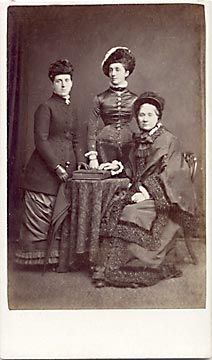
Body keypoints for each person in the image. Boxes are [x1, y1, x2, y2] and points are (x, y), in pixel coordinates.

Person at [92, 91, 196, 288]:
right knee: (112, 205)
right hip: (139, 191)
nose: (145, 119)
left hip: (162, 199)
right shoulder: (138, 139)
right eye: (141, 115)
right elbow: (133, 167)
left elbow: (174, 174)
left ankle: (132, 266)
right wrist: (119, 167)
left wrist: (148, 192)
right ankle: (107, 267)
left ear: (158, 117)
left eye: (149, 115)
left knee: (131, 212)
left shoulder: (168, 140)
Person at [15, 59, 85, 267]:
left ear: (72, 83)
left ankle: (57, 259)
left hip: (68, 170)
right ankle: (35, 260)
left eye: (67, 80)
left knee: (61, 212)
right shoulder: (45, 107)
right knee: (42, 212)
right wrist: (56, 166)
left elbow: (77, 140)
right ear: (52, 84)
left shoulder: (73, 109)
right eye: (59, 81)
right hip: (44, 171)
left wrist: (80, 162)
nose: (63, 84)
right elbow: (41, 140)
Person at [85, 46, 137, 170]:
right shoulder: (100, 98)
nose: (113, 73)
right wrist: (93, 157)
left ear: (126, 72)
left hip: (129, 147)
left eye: (117, 69)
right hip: (104, 147)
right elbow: (92, 127)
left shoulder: (135, 99)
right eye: (111, 69)